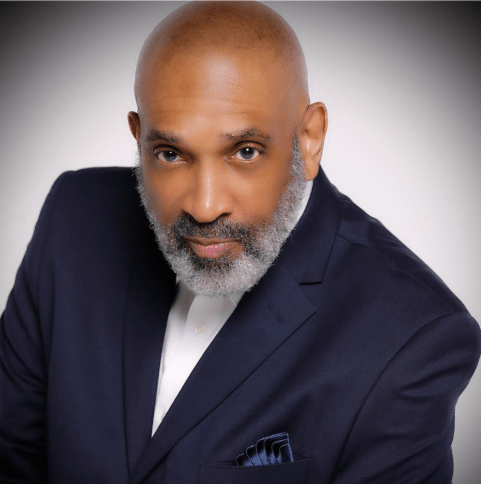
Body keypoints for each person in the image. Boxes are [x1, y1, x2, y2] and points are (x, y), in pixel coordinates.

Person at [1, 2, 479, 483]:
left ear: (309, 138)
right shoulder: (74, 218)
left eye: (245, 152)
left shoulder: (414, 336)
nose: (205, 207)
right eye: (170, 154)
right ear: (139, 138)